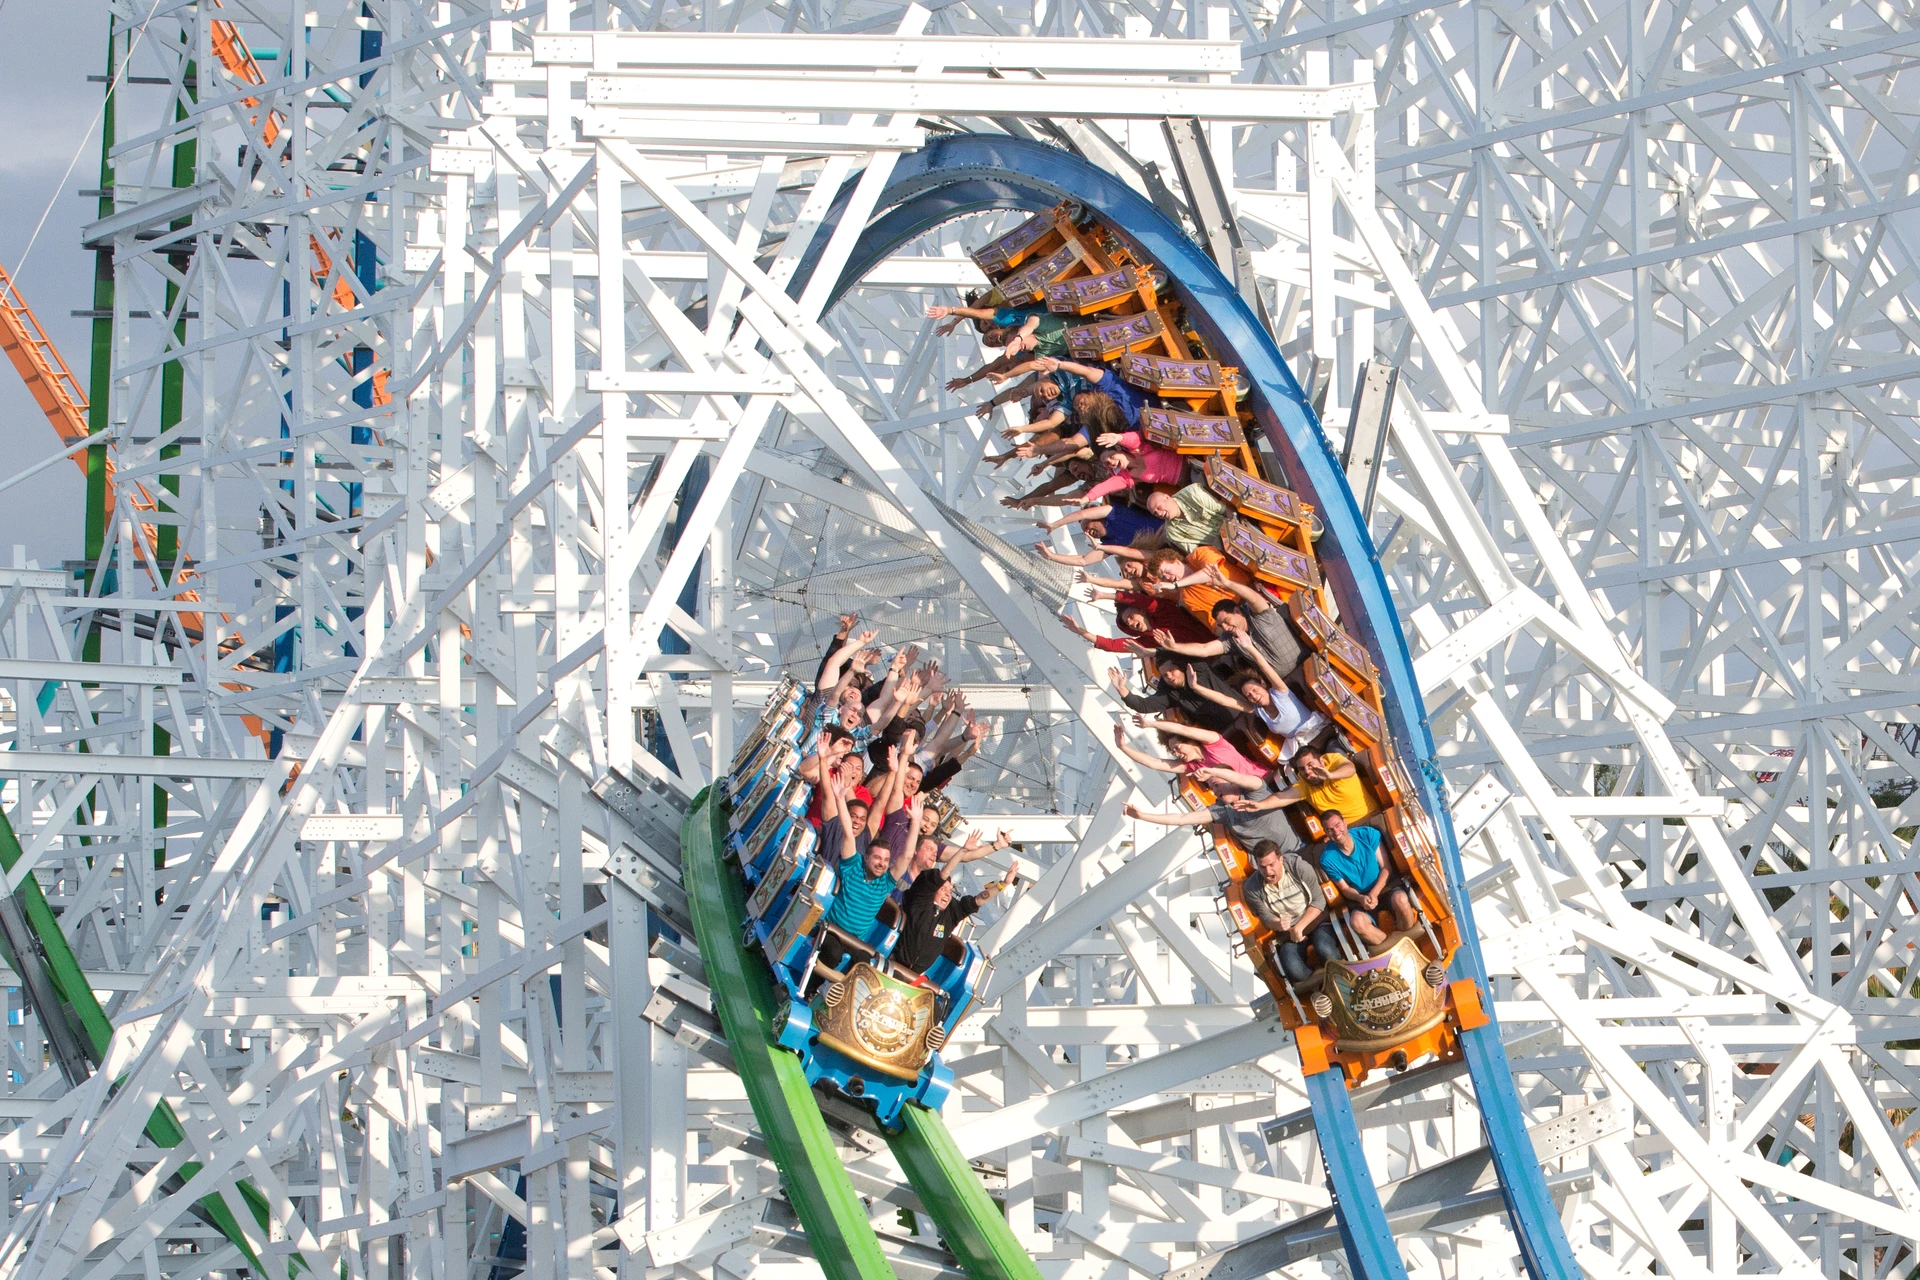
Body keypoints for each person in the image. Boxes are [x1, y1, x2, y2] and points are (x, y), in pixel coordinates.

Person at [1151, 565, 1307, 679]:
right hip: (1290, 680)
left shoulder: (1258, 615)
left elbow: (1253, 597)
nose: (1225, 627)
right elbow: (1205, 649)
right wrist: (1174, 647)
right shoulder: (1231, 640)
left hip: (1307, 661)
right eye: (1221, 626)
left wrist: (1227, 584)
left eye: (1226, 621)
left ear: (1237, 612)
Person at [1242, 839, 1342, 985]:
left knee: (1325, 949)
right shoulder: (1252, 887)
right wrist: (1279, 924)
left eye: (1271, 865)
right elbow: (1267, 918)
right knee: (1294, 969)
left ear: (1280, 859)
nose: (1268, 872)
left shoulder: (1298, 867)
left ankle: (1342, 977)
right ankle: (1321, 983)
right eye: (1263, 867)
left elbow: (1319, 901)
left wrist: (1299, 927)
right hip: (1289, 934)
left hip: (1315, 921)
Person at [1314, 809, 1415, 950]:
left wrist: (1374, 893)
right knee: (1356, 923)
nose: (1336, 832)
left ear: (1345, 822)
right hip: (1361, 898)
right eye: (1330, 830)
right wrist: (1361, 898)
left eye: (1338, 825)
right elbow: (1345, 889)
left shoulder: (1367, 834)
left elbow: (1386, 868)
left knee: (1401, 900)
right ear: (1326, 833)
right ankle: (1394, 950)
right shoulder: (1327, 859)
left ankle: (1409, 942)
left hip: (1384, 887)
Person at [1229, 747, 1384, 831]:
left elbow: (1350, 769)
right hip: (1344, 831)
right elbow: (1282, 797)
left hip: (1372, 816)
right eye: (1302, 769)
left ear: (1321, 761)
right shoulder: (1304, 783)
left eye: (1311, 765)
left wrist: (1330, 775)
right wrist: (1259, 805)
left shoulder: (1333, 761)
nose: (1308, 771)